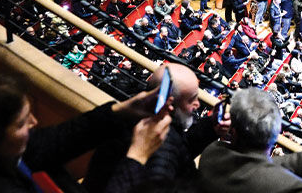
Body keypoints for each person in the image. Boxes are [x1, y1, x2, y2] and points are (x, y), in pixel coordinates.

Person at [0, 73, 172, 193]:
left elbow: (54, 141)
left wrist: (122, 110)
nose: (34, 122)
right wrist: (137, 157)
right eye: (21, 123)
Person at [197, 87, 302, 193]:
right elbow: (261, 173)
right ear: (276, 133)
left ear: (233, 130)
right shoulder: (289, 189)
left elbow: (255, 170)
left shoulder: (212, 154)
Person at [87, 62, 215, 193]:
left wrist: (210, 127)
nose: (198, 104)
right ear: (170, 103)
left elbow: (180, 151)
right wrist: (137, 156)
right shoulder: (159, 143)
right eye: (192, 99)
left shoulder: (132, 120)